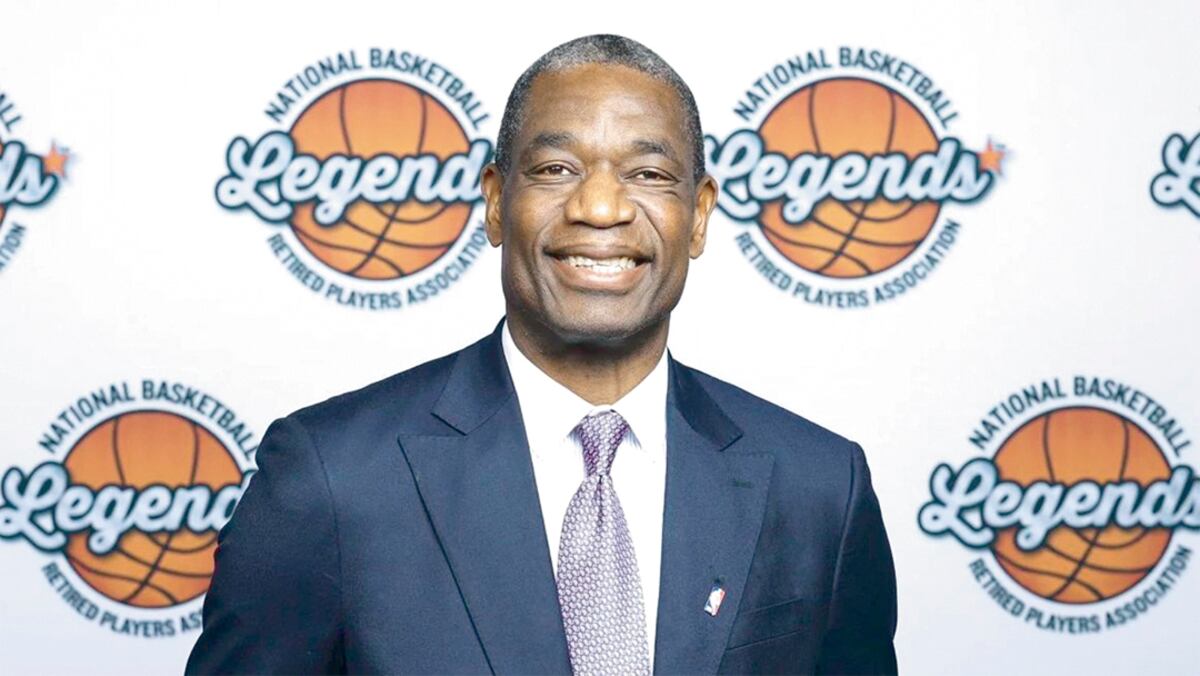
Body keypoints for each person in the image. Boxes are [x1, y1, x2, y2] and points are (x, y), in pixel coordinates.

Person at [186, 34, 897, 675]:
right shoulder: (330, 478)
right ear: (497, 202)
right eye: (557, 169)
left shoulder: (820, 488)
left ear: (700, 214)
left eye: (649, 174)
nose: (601, 208)